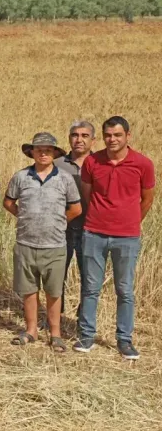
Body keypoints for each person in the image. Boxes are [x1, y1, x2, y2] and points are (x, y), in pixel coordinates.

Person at [74, 116, 155, 360]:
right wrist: (101, 218)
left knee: (125, 290)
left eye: (117, 135)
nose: (112, 139)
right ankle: (86, 335)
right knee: (90, 287)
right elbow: (87, 194)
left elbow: (147, 199)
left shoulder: (142, 164)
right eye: (108, 135)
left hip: (127, 237)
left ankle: (124, 339)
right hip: (94, 232)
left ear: (127, 136)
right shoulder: (92, 162)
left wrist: (129, 221)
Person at [4, 133, 81, 353]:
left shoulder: (65, 179)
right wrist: (25, 217)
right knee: (29, 290)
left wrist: (57, 222)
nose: (44, 153)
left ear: (55, 153)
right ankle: (31, 330)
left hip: (55, 245)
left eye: (48, 149)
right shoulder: (21, 177)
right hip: (25, 244)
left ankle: (55, 334)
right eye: (39, 149)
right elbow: (8, 202)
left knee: (53, 291)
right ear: (32, 152)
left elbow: (76, 209)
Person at [54, 120, 96, 314]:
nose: (79, 140)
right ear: (69, 138)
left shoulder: (100, 163)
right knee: (56, 275)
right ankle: (55, 317)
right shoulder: (56, 164)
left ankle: (84, 318)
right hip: (63, 228)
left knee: (89, 276)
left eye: (85, 136)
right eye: (75, 135)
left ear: (93, 141)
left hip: (91, 229)